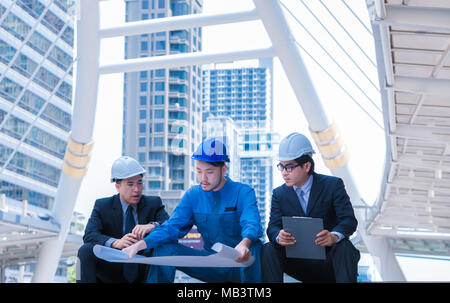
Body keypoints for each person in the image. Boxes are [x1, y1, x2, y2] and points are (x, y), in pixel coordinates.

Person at [123, 138, 263, 282]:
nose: (203, 178)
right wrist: (139, 245)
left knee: (253, 247)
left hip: (241, 263)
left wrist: (244, 243)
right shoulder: (193, 195)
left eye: (209, 172)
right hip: (211, 263)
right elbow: (171, 227)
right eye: (198, 171)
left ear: (224, 169)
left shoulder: (243, 192)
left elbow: (251, 224)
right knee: (164, 247)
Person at [261, 132, 360, 283]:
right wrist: (278, 236)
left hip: (329, 261)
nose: (283, 173)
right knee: (269, 249)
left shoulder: (333, 186)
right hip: (297, 261)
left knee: (345, 247)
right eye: (281, 166)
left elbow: (349, 221)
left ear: (306, 166)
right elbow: (273, 226)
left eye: (289, 167)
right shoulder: (279, 194)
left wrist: (333, 236)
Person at [77, 156, 169, 283]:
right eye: (130, 184)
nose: (136, 189)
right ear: (117, 186)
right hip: (112, 270)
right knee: (85, 250)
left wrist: (152, 225)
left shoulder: (153, 203)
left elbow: (171, 225)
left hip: (144, 269)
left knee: (167, 246)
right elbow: (89, 235)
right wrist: (116, 243)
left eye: (140, 183)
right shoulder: (103, 206)